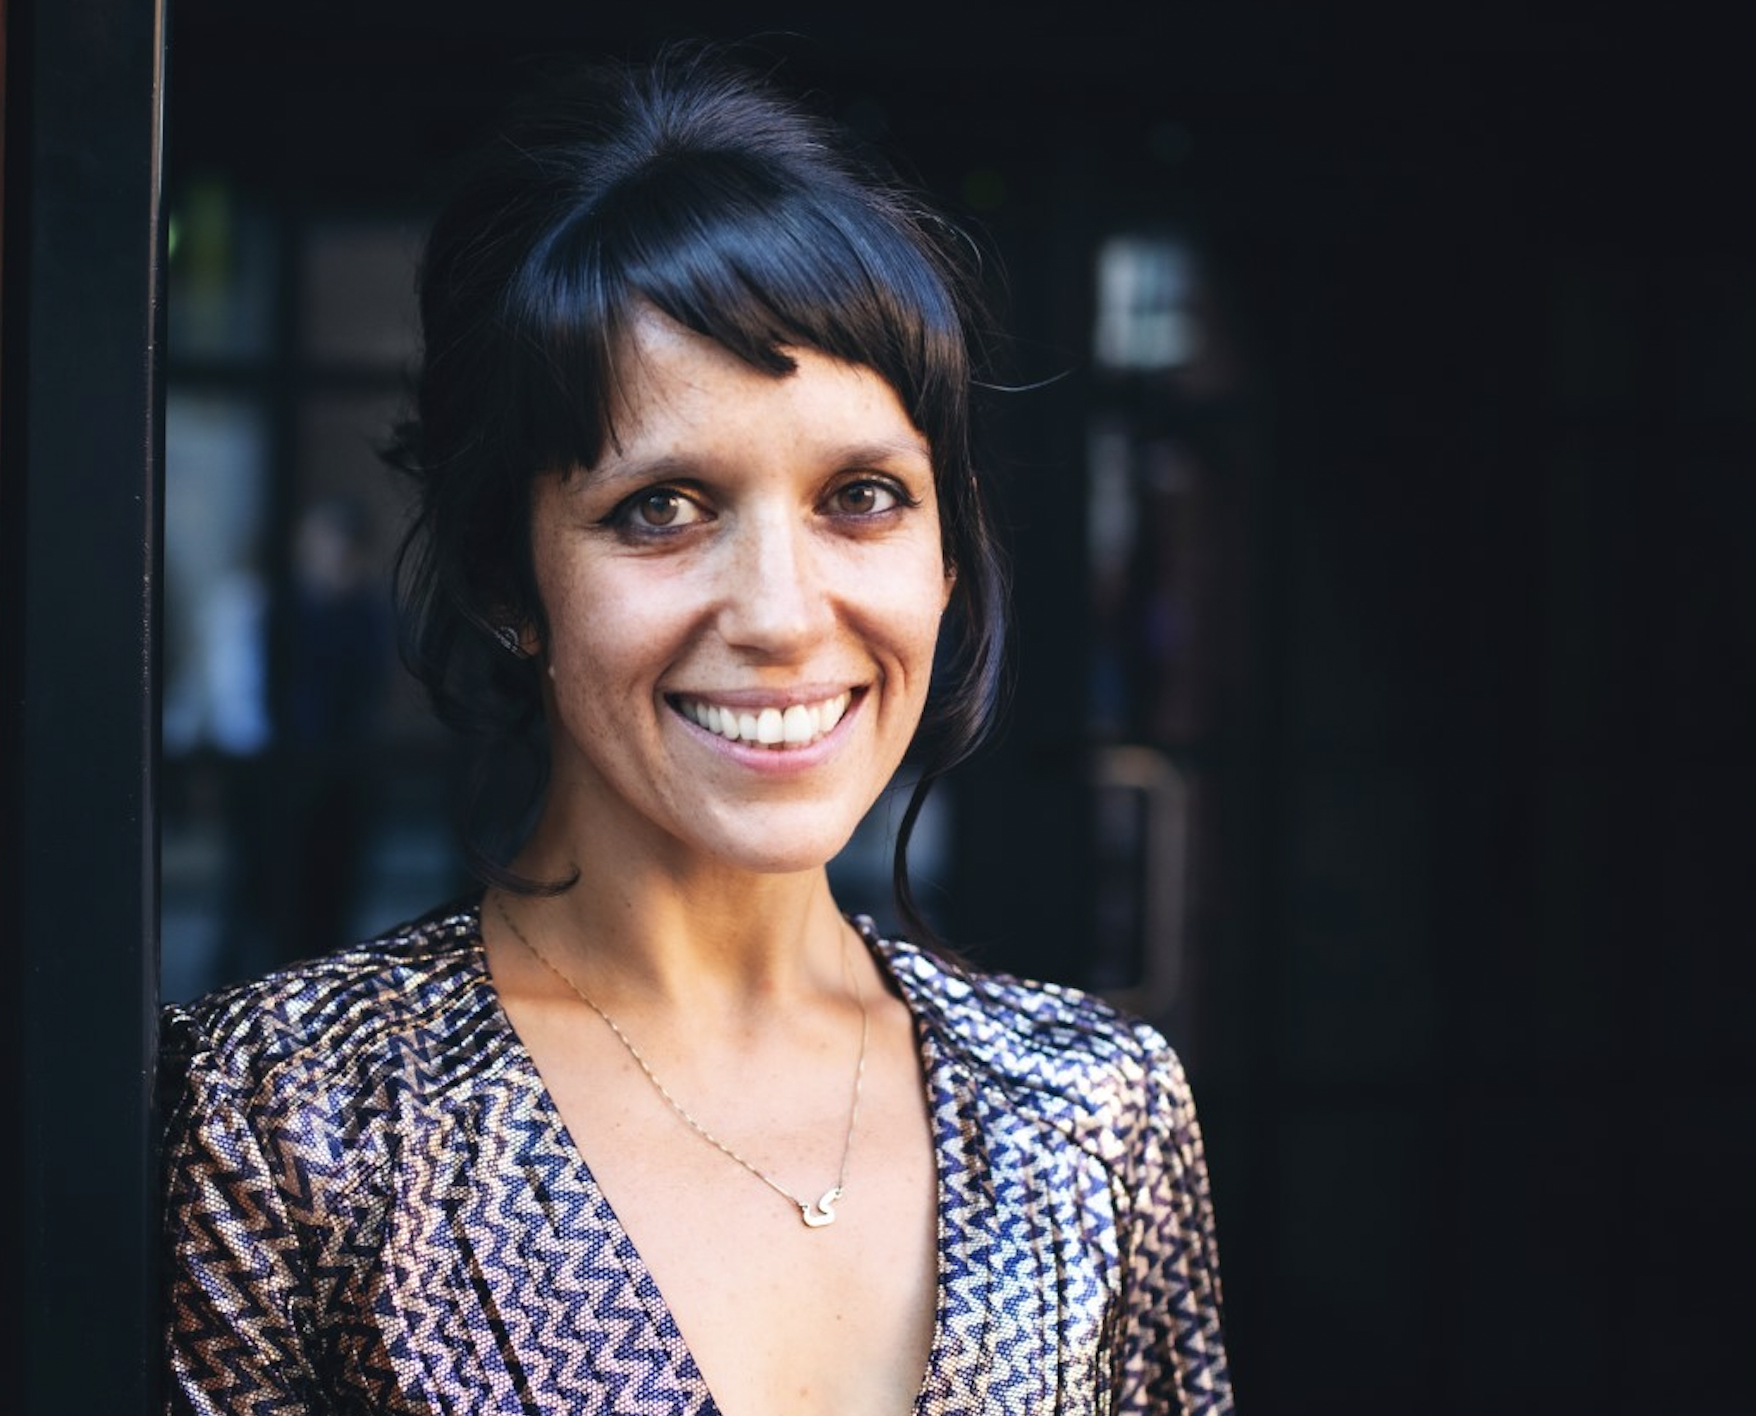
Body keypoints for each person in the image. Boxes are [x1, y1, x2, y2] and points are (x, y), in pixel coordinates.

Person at [161, 50, 1234, 1416]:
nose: (783, 617)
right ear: (508, 581)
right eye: (660, 508)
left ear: (948, 548)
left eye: (860, 495)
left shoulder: (1092, 1115)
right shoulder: (301, 1116)